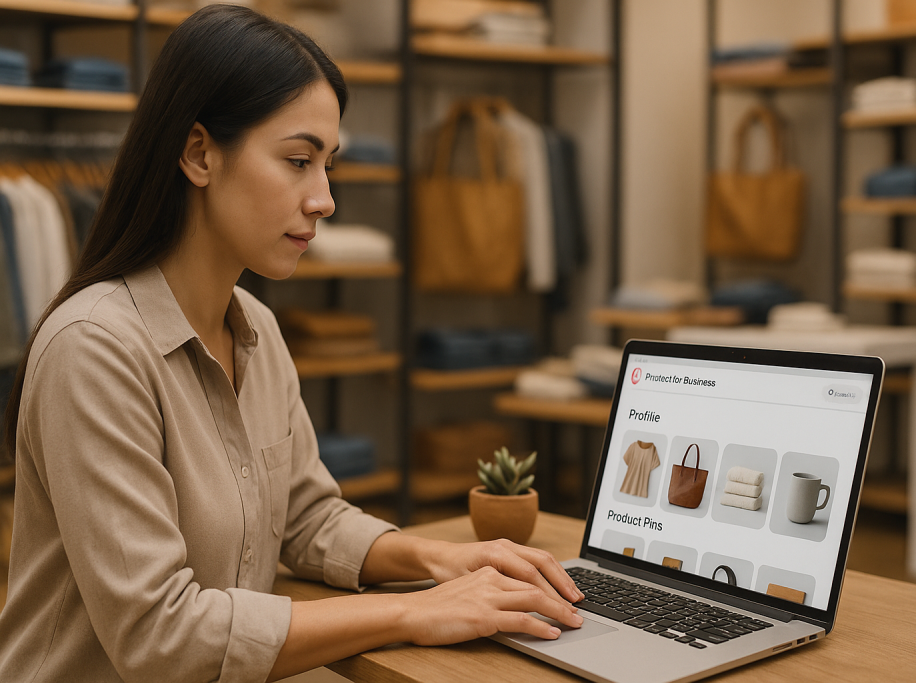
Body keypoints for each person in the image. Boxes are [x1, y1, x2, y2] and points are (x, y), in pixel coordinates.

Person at [0, 6, 582, 681]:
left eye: (327, 165)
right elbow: (160, 636)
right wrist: (417, 610)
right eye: (298, 161)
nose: (325, 198)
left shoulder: (255, 326)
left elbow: (306, 517)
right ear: (198, 153)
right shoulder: (94, 348)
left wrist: (438, 560)